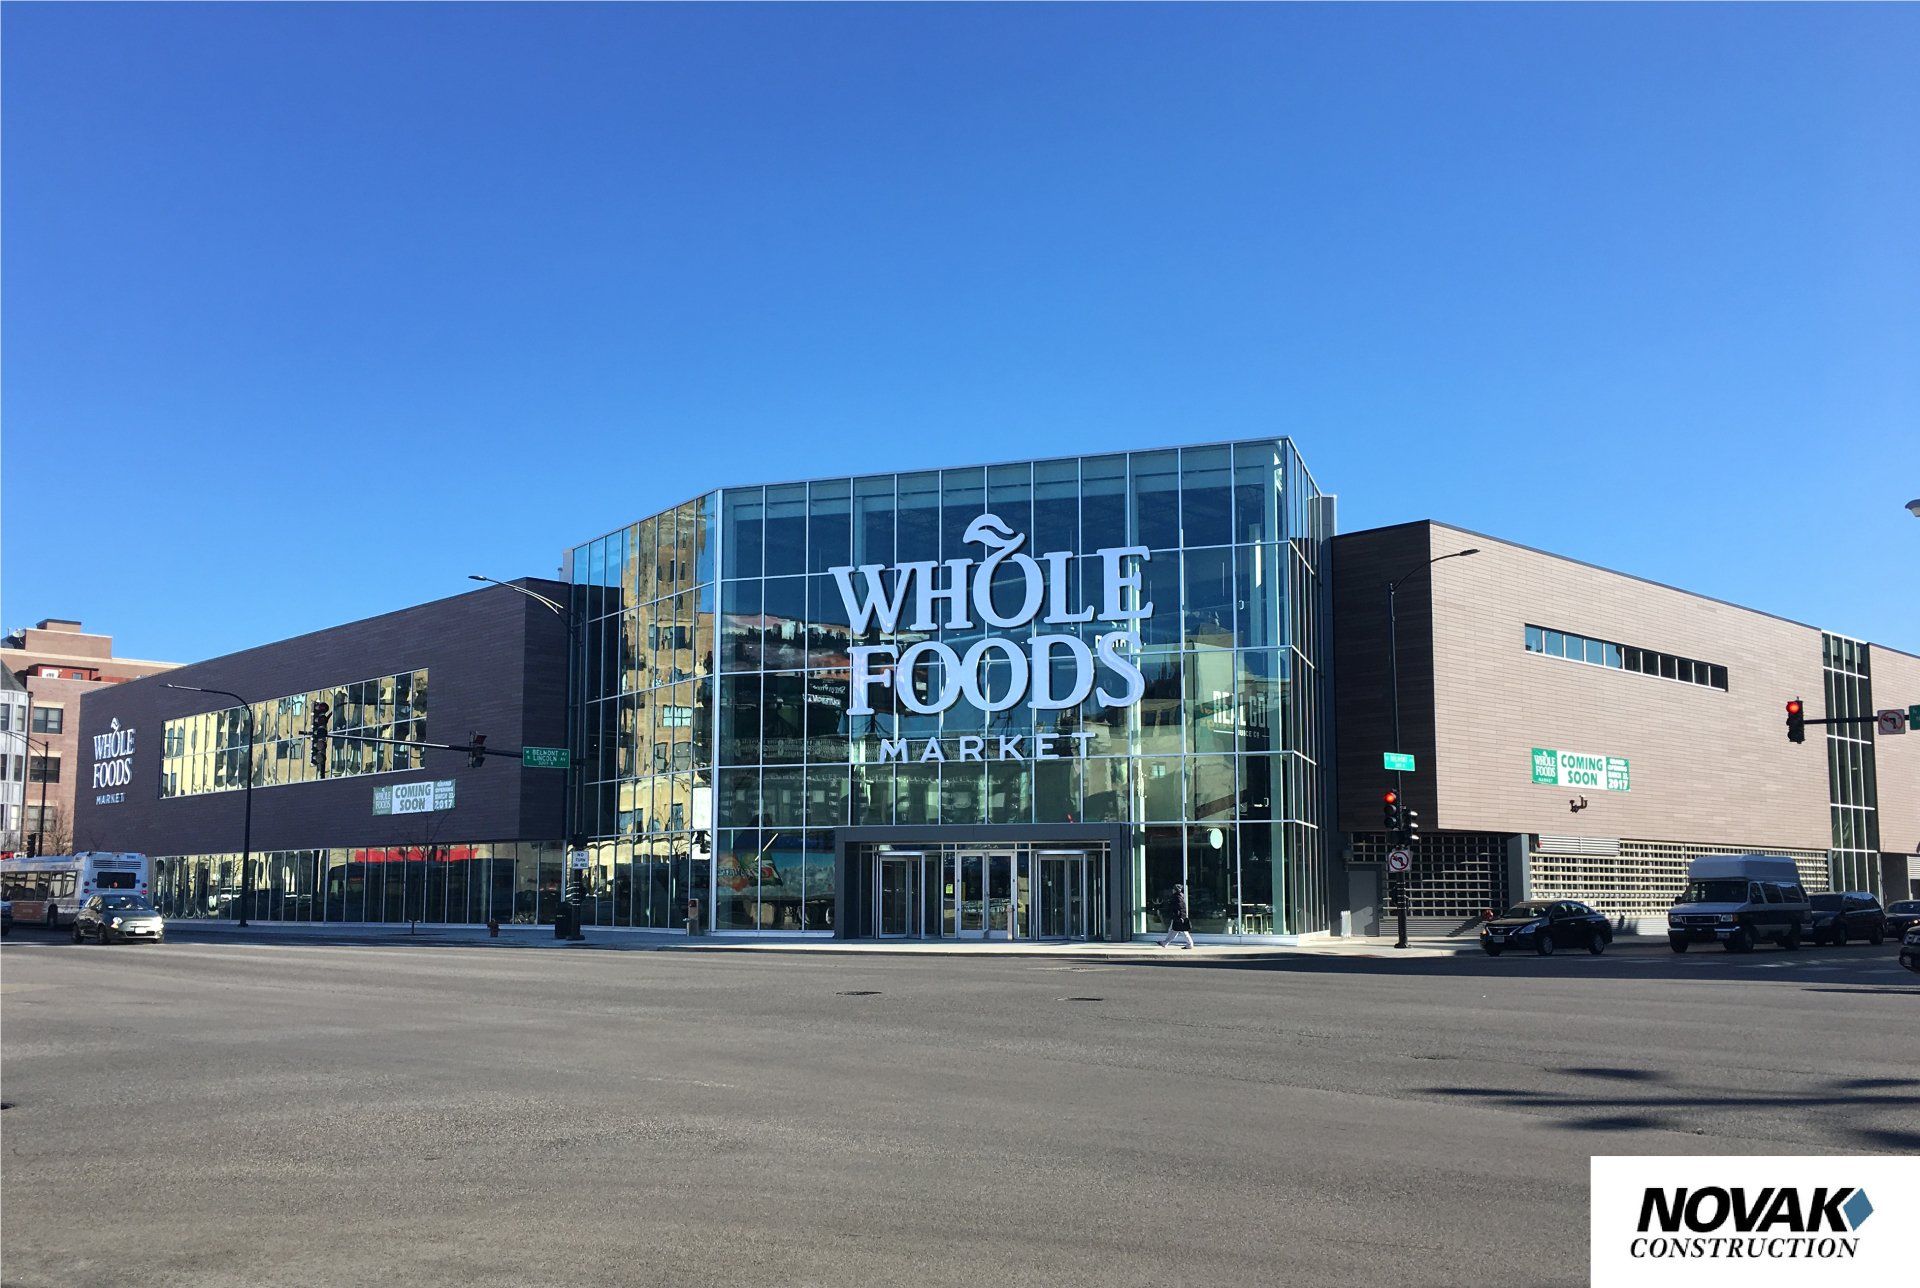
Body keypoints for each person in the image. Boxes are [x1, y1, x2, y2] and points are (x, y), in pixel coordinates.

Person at [1158, 883, 1194, 949]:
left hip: (1178, 917)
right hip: (1179, 916)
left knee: (1181, 931)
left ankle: (1190, 944)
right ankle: (1165, 942)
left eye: (1174, 889)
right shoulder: (1180, 896)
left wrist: (1179, 916)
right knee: (1173, 930)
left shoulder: (1177, 897)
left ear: (1175, 890)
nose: (1172, 890)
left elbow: (1179, 907)